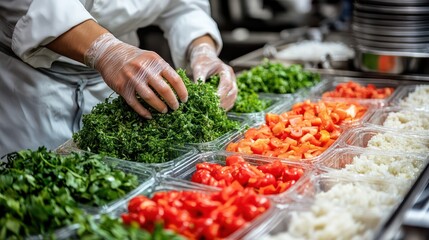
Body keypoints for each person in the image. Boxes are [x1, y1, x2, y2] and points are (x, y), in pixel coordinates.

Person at [0, 0, 238, 156]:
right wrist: (106, 51)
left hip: (124, 84)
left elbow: (184, 6)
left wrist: (200, 48)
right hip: (32, 88)